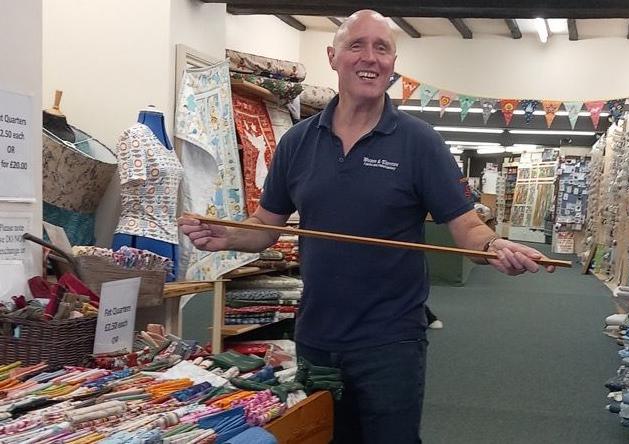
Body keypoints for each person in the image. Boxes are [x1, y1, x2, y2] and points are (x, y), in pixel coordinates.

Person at [179, 9, 554, 444]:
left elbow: (467, 226)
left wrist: (494, 246)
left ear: (393, 64)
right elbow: (265, 225)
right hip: (317, 334)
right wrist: (228, 236)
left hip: (390, 340)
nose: (370, 58)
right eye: (357, 45)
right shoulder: (297, 143)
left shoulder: (420, 143)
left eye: (382, 48)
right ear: (333, 56)